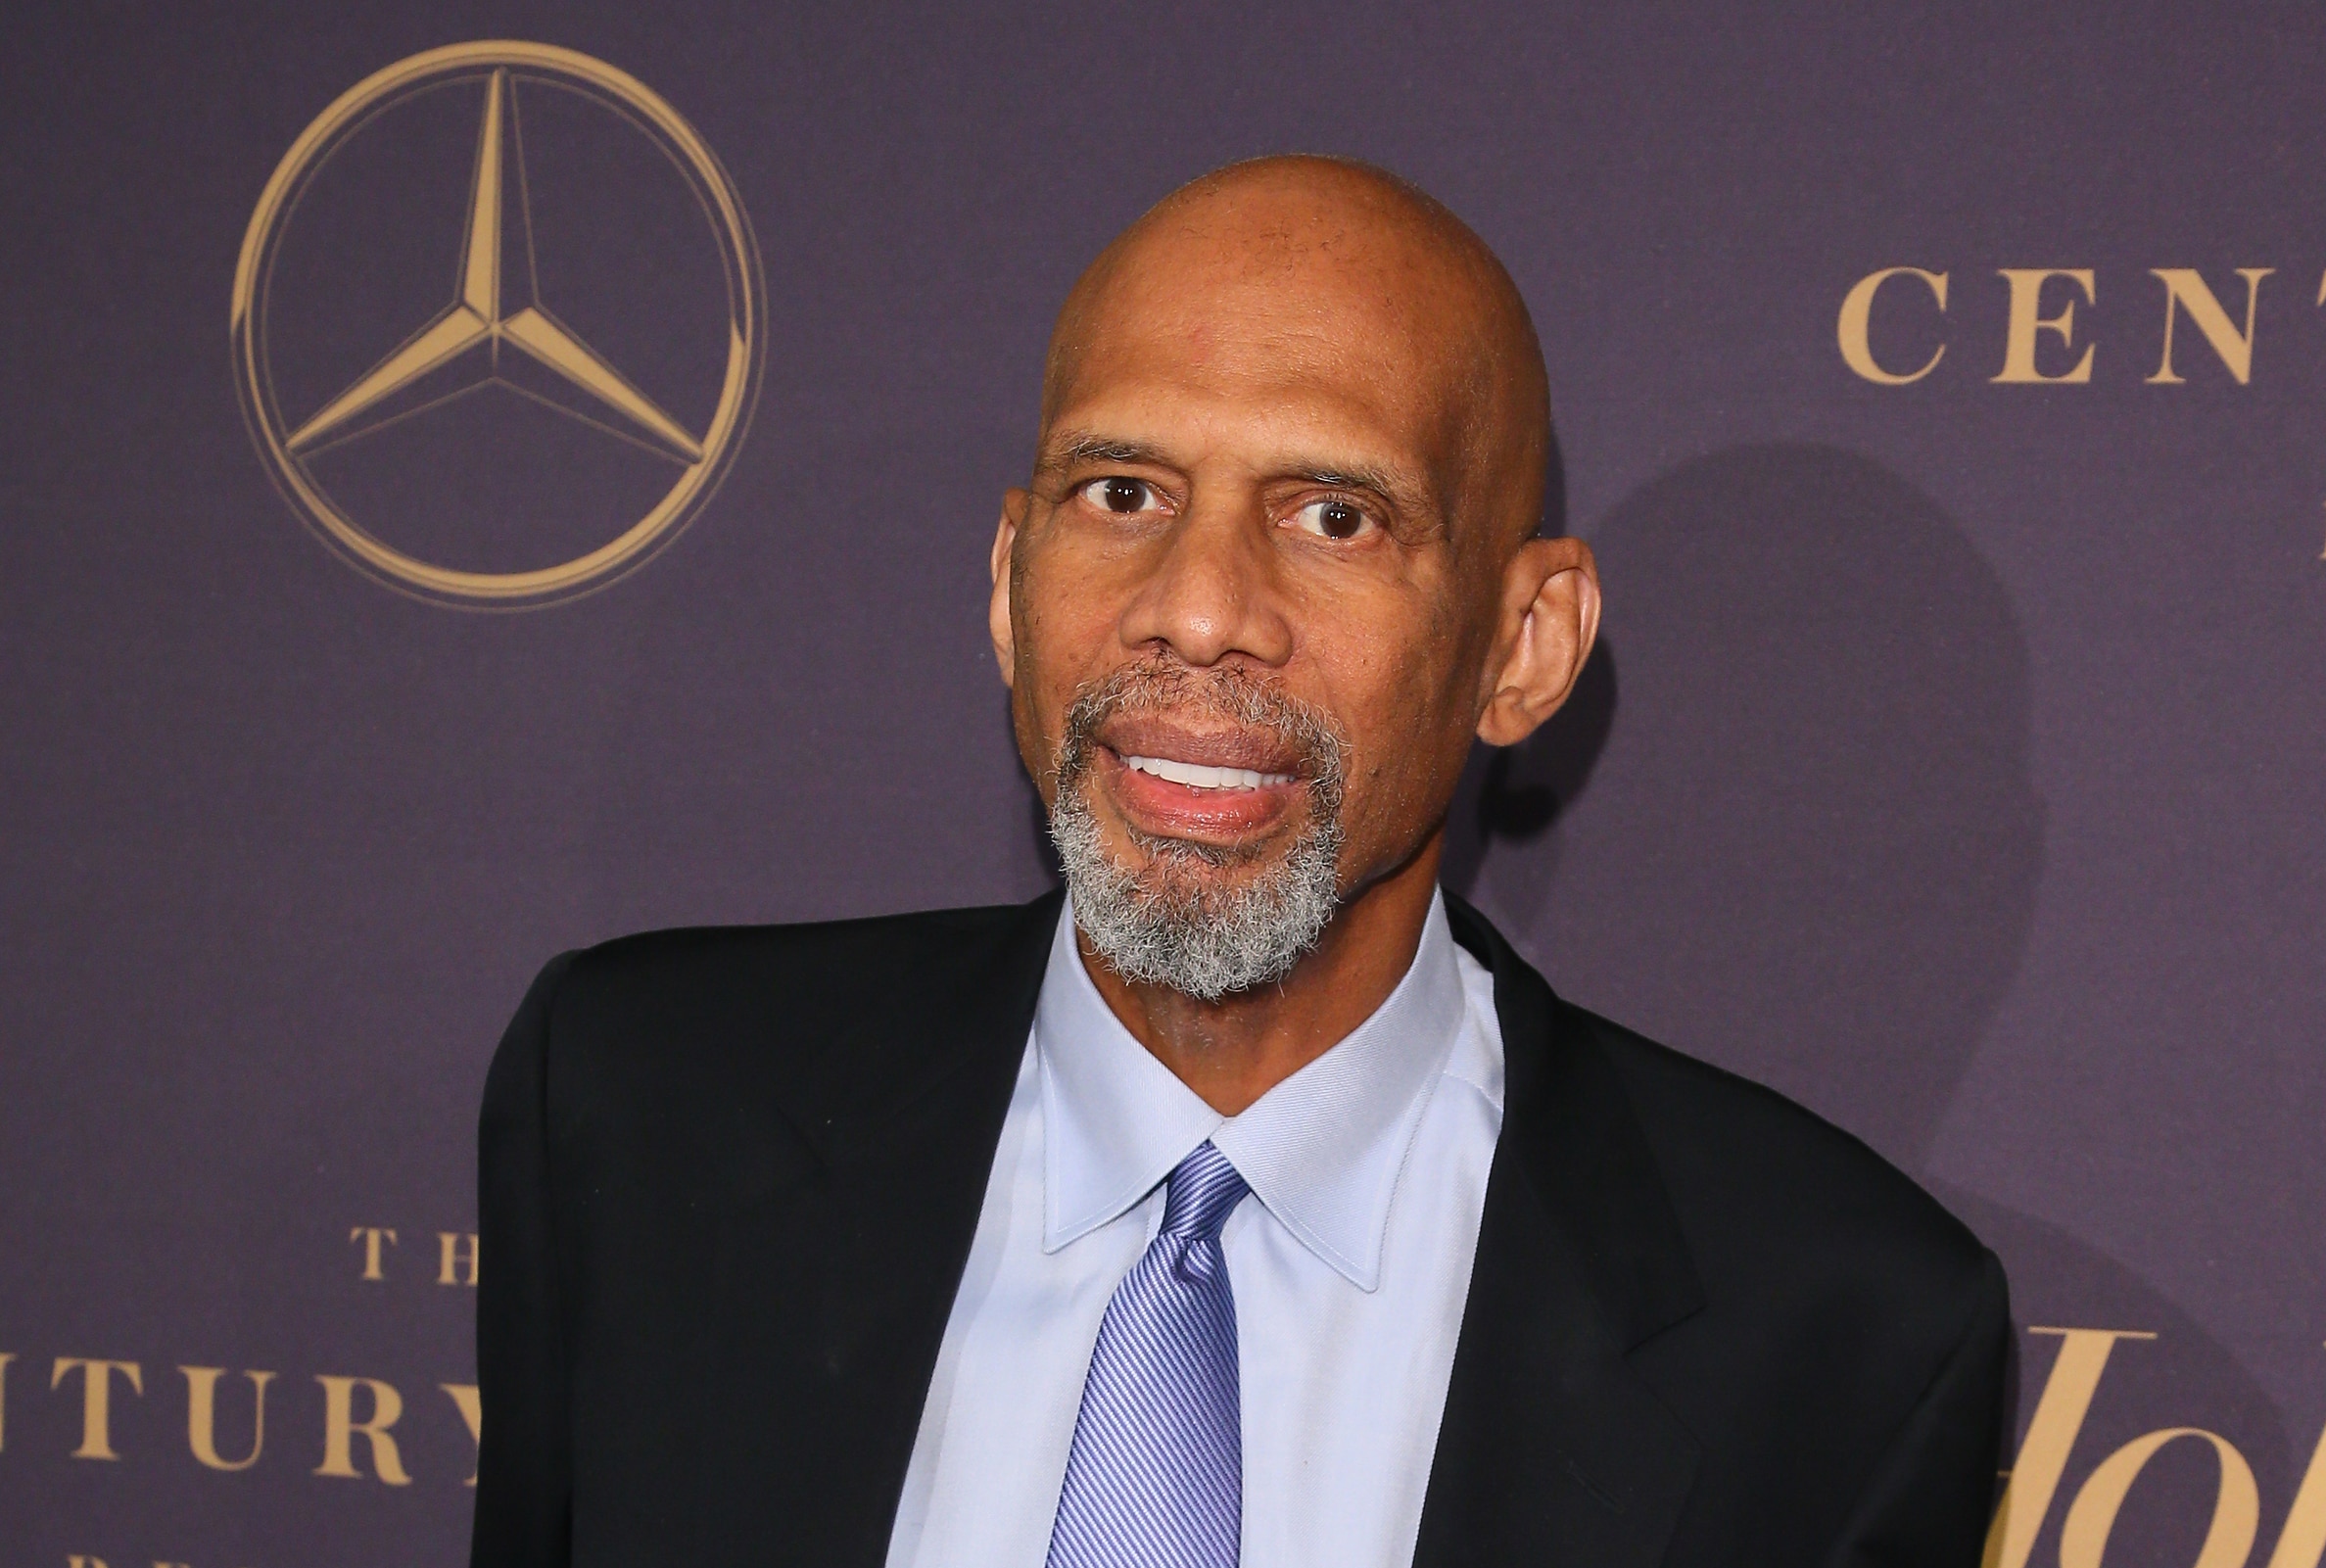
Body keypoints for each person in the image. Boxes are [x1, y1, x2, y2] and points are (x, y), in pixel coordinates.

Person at [470, 157, 2009, 1568]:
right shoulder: (636, 1110)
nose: (1198, 608)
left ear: (1523, 645)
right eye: (1121, 493)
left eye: (1334, 516)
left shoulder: (1838, 1334)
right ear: (1008, 580)